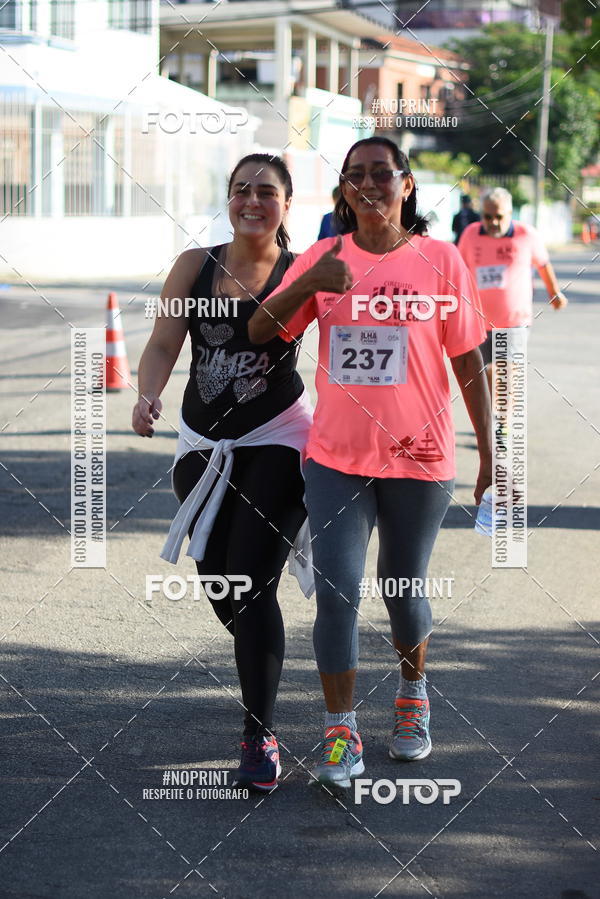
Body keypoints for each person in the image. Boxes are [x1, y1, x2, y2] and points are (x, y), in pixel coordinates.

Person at [249, 137, 492, 788]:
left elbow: (469, 362)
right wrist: (307, 280)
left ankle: (413, 694)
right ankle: (339, 729)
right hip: (336, 457)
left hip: (421, 456)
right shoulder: (326, 257)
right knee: (336, 592)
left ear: (406, 185)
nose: (367, 185)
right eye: (354, 176)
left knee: (404, 590)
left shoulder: (441, 260)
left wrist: (492, 454)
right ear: (343, 191)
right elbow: (262, 329)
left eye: (380, 174)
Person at [132, 153, 313, 792]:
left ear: (287, 204)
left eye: (267, 191)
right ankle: (259, 661)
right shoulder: (196, 265)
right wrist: (146, 394)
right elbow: (162, 344)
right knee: (225, 588)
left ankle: (259, 731)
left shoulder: (303, 269)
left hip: (278, 439)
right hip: (200, 445)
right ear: (229, 198)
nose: (252, 201)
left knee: (253, 582)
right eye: (242, 190)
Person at [458, 187, 567, 395]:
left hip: (514, 321)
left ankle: (503, 421)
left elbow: (543, 264)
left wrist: (554, 293)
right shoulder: (471, 234)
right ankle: (495, 417)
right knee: (486, 371)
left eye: (499, 216)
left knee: (505, 369)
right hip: (479, 321)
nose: (493, 222)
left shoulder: (526, 234)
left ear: (510, 214)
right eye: (488, 217)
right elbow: (459, 271)